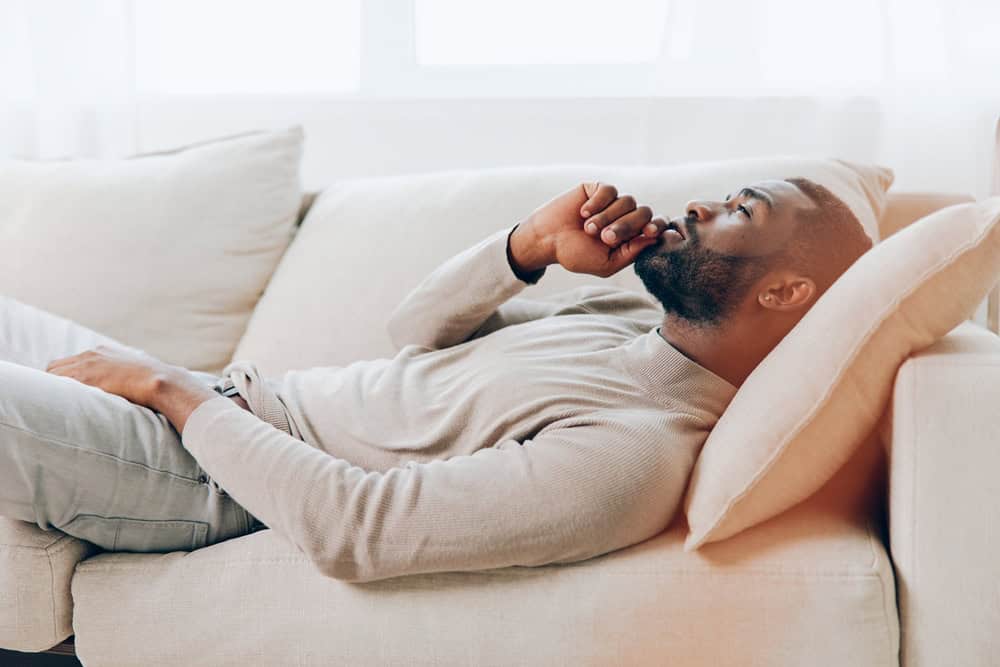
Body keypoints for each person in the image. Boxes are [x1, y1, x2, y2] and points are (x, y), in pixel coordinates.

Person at [0, 177, 872, 582]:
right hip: (217, 402)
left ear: (785, 290)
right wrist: (526, 248)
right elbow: (416, 334)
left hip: (199, 474)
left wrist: (170, 391)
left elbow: (355, 532)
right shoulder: (626, 326)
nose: (695, 206)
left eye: (738, 212)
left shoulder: (635, 453)